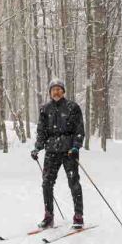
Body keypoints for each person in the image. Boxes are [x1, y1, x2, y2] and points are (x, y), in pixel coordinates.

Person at [31, 78, 85, 229]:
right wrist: (37, 147)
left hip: (69, 151)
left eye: (59, 89)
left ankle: (78, 216)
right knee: (46, 183)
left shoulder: (73, 107)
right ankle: (49, 216)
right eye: (53, 89)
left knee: (74, 183)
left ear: (63, 91)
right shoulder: (45, 109)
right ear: (50, 92)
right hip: (51, 152)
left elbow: (79, 130)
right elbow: (41, 132)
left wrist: (76, 147)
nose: (56, 92)